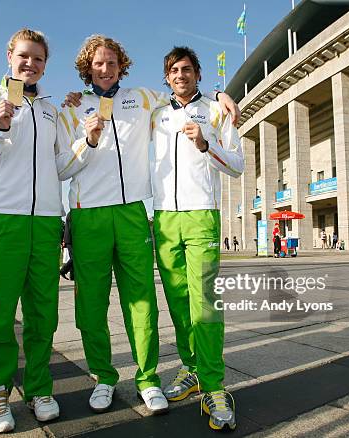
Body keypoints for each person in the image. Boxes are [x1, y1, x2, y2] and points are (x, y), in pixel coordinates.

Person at [58, 35, 240, 415]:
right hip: (90, 212)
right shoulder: (72, 109)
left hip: (134, 213)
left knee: (144, 303)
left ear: (121, 65)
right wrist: (86, 141)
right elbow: (62, 168)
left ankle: (149, 378)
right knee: (92, 306)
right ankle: (104, 377)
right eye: (97, 64)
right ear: (86, 68)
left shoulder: (145, 100)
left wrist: (222, 93)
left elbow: (189, 96)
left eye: (111, 62)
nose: (105, 69)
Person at [0, 29, 89, 434]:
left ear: (45, 64)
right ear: (10, 56)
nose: (31, 64)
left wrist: (90, 142)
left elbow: (63, 166)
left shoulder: (50, 110)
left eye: (39, 59)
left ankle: (39, 387)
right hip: (1, 218)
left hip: (46, 221)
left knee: (42, 314)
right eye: (24, 56)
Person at [152, 46, 244, 431]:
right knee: (177, 302)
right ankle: (190, 369)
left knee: (204, 303)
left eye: (187, 69)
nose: (181, 75)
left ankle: (214, 384)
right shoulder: (153, 111)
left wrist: (207, 144)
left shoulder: (217, 110)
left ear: (198, 74)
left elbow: (237, 165)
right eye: (174, 70)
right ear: (167, 77)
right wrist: (79, 97)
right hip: (162, 217)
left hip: (201, 214)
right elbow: (111, 97)